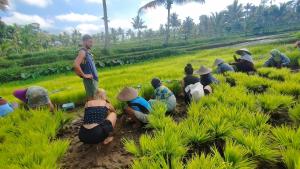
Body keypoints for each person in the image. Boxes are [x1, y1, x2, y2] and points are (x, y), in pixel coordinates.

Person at [74, 34, 98, 100]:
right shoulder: (82, 52)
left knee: (94, 97)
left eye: (92, 42)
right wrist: (84, 75)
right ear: (84, 42)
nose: (91, 44)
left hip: (93, 79)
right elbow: (76, 65)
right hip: (90, 80)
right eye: (90, 42)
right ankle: (91, 110)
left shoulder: (87, 52)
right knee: (92, 98)